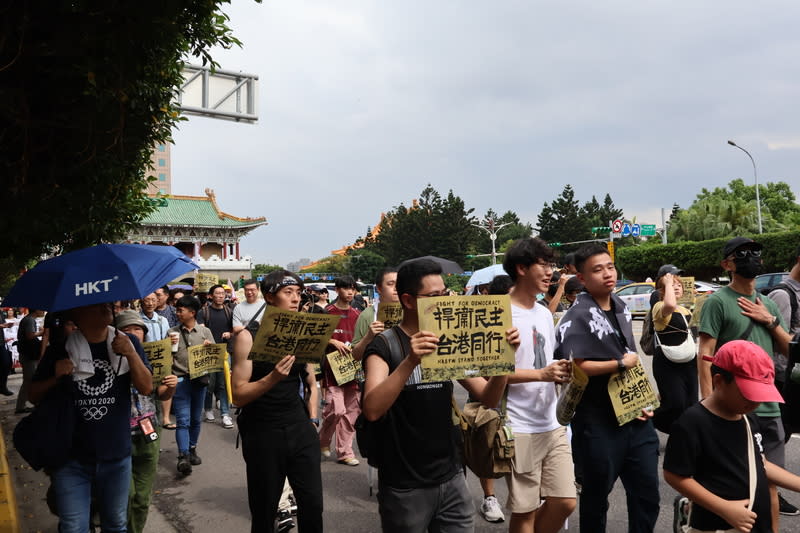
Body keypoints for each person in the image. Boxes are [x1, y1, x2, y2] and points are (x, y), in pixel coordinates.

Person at [362, 258, 518, 533]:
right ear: (408, 301)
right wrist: (411, 360)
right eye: (434, 297)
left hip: (452, 475)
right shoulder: (385, 345)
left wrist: (504, 360)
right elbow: (372, 409)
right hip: (404, 484)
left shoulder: (448, 339)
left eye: (445, 294)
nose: (445, 301)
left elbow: (488, 398)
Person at [554, 243, 660, 532]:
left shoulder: (621, 306)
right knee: (596, 498)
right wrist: (620, 364)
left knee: (647, 495)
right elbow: (577, 365)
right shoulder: (577, 315)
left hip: (635, 418)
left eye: (609, 267)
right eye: (597, 270)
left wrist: (641, 400)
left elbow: (630, 355)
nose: (607, 274)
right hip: (597, 422)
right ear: (583, 279)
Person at [29, 302, 153, 533]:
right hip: (71, 458)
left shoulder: (128, 342)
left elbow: (146, 387)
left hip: (116, 455)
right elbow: (33, 395)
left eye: (107, 303)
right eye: (95, 305)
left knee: (116, 524)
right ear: (77, 314)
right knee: (74, 527)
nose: (106, 307)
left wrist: (130, 354)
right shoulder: (61, 348)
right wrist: (56, 377)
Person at [698, 237, 793, 523]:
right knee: (734, 484)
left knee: (771, 484)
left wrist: (770, 321)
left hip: (769, 405)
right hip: (733, 407)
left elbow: (789, 348)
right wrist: (706, 405)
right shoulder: (717, 302)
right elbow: (705, 354)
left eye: (755, 252)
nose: (751, 257)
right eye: (741, 254)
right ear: (726, 264)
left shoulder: (767, 304)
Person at [664, 340, 800, 533]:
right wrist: (724, 508)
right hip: (717, 524)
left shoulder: (747, 417)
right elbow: (675, 475)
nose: (755, 402)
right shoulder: (693, 422)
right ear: (719, 381)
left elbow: (760, 463)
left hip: (754, 523)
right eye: (748, 394)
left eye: (760, 396)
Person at [231, 270, 323, 533]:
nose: (295, 299)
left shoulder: (301, 332)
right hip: (262, 431)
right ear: (270, 297)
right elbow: (238, 395)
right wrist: (271, 378)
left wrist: (313, 419)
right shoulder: (248, 336)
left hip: (299, 427)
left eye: (298, 293)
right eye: (288, 293)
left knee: (313, 505)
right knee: (264, 510)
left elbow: (310, 381)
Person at [500, 238, 577, 533]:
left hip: (552, 421)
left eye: (552, 266)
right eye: (544, 265)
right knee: (525, 511)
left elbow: (543, 360)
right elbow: (491, 372)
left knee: (565, 501)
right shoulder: (500, 312)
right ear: (521, 268)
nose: (551, 272)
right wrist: (542, 375)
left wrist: (561, 372)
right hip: (518, 425)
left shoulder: (544, 312)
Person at [114, 310, 178, 533]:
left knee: (141, 498)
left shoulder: (155, 355)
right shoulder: (107, 359)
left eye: (137, 329)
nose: (133, 334)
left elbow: (160, 395)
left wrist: (170, 386)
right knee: (126, 496)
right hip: (118, 437)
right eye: (127, 330)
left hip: (148, 434)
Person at [168, 295, 214, 475]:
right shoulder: (172, 332)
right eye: (177, 310)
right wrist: (167, 346)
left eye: (181, 310)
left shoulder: (205, 332)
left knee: (195, 419)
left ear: (192, 313)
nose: (178, 313)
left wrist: (209, 348)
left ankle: (192, 448)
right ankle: (183, 456)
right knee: (183, 420)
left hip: (200, 381)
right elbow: (166, 359)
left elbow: (215, 358)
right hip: (180, 381)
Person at [650, 264, 698, 434]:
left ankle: (683, 434)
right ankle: (648, 419)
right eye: (672, 284)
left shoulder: (686, 309)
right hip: (667, 364)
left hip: (690, 363)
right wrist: (667, 283)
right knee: (675, 403)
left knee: (691, 404)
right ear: (662, 288)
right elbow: (669, 305)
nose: (677, 286)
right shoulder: (659, 306)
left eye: (679, 284)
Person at [319, 275, 362, 466]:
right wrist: (332, 341)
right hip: (332, 370)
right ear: (336, 290)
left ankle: (345, 452)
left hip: (353, 369)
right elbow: (316, 337)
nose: (350, 292)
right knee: (336, 410)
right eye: (346, 288)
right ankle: (322, 440)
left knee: (352, 411)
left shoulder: (357, 314)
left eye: (352, 288)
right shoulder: (327, 312)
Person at [197, 284, 234, 429]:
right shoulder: (204, 312)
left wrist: (229, 334)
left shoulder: (229, 311)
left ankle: (225, 413)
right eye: (217, 293)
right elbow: (200, 329)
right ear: (210, 296)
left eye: (222, 293)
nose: (220, 296)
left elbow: (233, 330)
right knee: (209, 383)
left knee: (224, 383)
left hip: (224, 352)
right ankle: (208, 409)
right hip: (209, 352)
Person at [351, 268, 398, 364]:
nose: (396, 288)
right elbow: (356, 355)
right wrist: (369, 336)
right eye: (390, 284)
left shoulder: (411, 312)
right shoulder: (367, 315)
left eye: (399, 283)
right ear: (379, 288)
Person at [15, 308, 44, 413]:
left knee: (29, 380)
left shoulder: (29, 319)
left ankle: (23, 405)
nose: (43, 311)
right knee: (29, 381)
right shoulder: (30, 320)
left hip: (27, 355)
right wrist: (41, 332)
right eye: (41, 309)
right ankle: (20, 407)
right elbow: (30, 335)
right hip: (28, 356)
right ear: (36, 310)